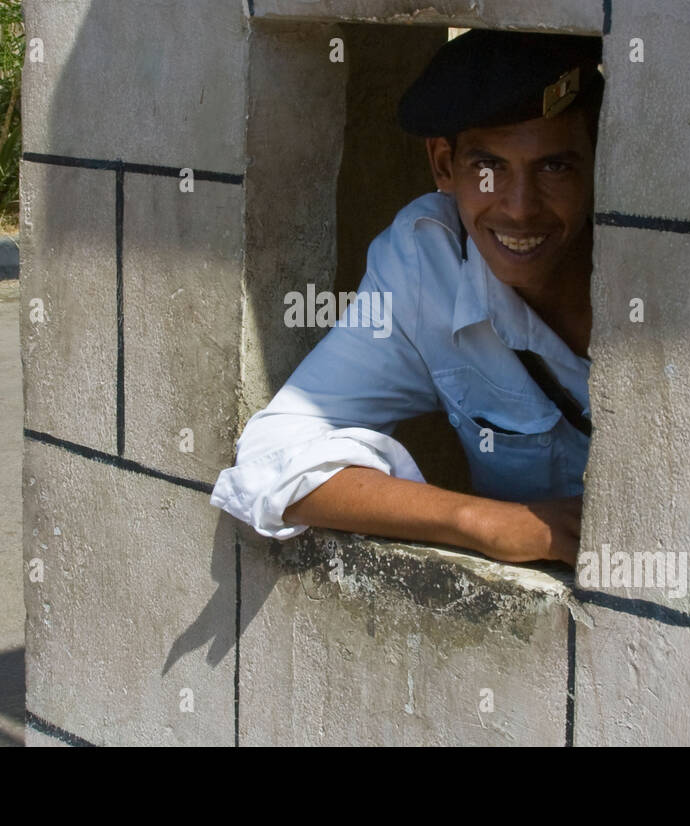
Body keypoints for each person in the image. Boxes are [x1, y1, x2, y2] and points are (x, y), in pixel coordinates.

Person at [211, 29, 602, 565]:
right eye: (488, 168)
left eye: (554, 167)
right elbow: (269, 457)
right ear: (444, 165)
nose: (519, 208)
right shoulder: (425, 264)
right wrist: (483, 523)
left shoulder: (656, 272)